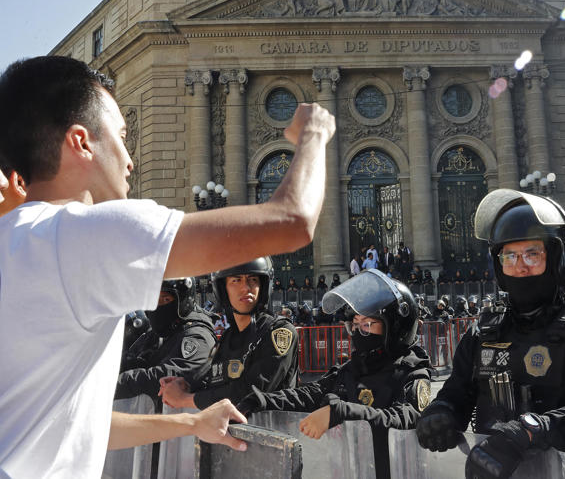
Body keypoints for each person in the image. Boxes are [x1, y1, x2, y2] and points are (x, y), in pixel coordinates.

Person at [0, 56, 334, 477]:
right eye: (122, 137)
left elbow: (67, 427)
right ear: (81, 142)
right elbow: (292, 220)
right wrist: (315, 135)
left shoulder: (15, 239)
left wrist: (190, 423)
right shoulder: (88, 233)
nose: (130, 160)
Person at [416, 189, 565, 478]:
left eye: (532, 254)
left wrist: (535, 429)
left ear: (559, 258)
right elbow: (456, 391)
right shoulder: (484, 330)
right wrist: (441, 412)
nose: (520, 266)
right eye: (510, 256)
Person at [236, 269, 433, 479]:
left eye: (367, 324)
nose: (358, 333)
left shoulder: (413, 373)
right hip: (351, 470)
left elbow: (404, 421)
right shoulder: (354, 368)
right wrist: (260, 401)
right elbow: (310, 394)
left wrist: (342, 412)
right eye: (354, 325)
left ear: (394, 328)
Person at [160, 257, 298, 409]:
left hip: (272, 429)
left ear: (263, 286)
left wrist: (185, 399)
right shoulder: (228, 338)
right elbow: (212, 378)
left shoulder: (279, 332)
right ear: (223, 289)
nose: (246, 287)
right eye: (236, 280)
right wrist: (185, 384)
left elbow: (252, 393)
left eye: (253, 279)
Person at [116, 278, 217, 400]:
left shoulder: (197, 336)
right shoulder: (163, 331)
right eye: (152, 301)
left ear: (183, 300)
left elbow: (172, 375)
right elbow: (138, 358)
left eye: (165, 299)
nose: (157, 307)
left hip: (181, 416)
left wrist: (112, 385)